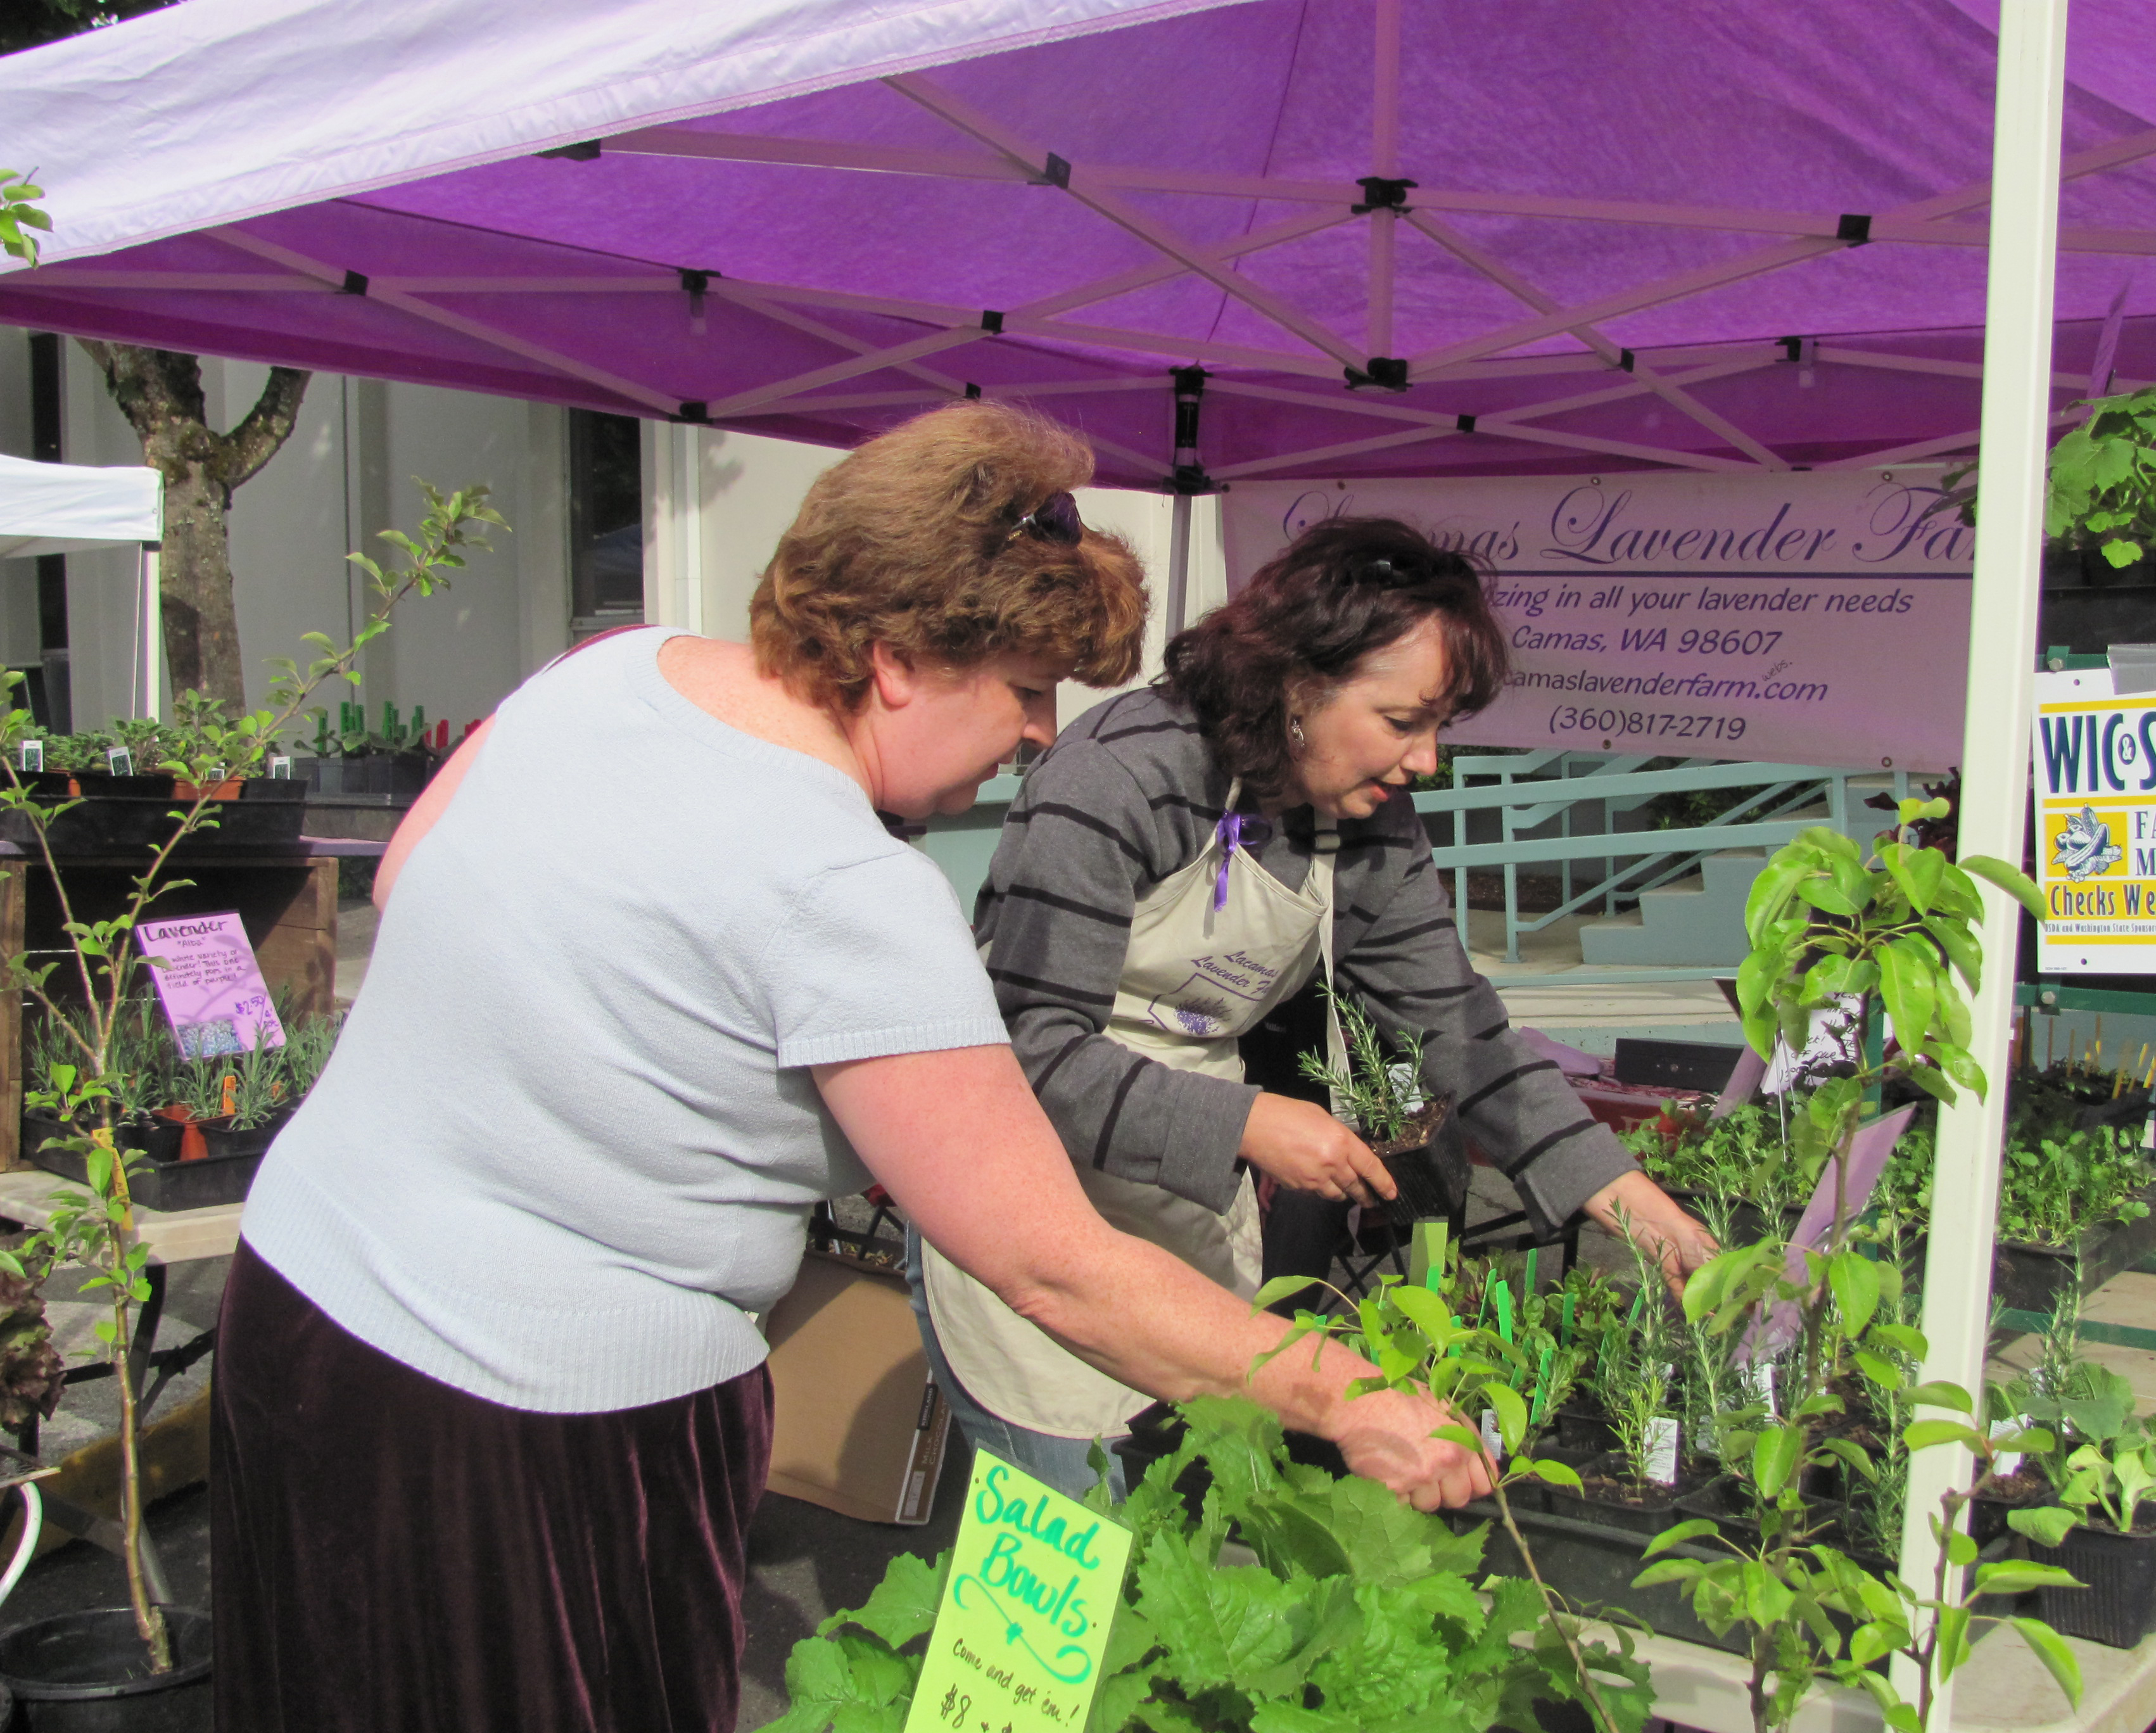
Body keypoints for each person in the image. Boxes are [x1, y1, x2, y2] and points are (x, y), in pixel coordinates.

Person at [208, 409, 1487, 1733]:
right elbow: (1050, 1261)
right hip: (521, 1427)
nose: (1044, 733)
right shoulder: (850, 889)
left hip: (300, 1300)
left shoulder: (609, 671)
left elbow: (415, 872)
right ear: (894, 658)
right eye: (1025, 686)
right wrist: (1347, 1400)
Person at [910, 516, 1717, 1492]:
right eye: (1403, 721)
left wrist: (1631, 1203)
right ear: (1299, 685)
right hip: (1028, 1207)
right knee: (1061, 1582)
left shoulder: (1364, 819)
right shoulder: (1122, 776)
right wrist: (1246, 1120)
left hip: (1181, 1215)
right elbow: (1025, 1055)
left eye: (1439, 729)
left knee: (1188, 1544)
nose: (1427, 761)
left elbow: (1457, 1027)